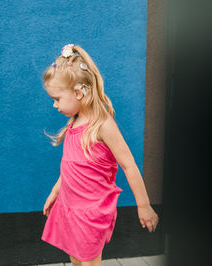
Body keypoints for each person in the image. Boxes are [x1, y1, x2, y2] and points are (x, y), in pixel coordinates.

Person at [40, 44, 159, 266]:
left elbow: (129, 165)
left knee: (89, 263)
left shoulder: (102, 125)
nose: (54, 105)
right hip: (70, 206)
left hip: (90, 212)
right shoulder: (73, 123)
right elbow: (70, 165)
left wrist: (143, 205)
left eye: (57, 98)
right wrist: (55, 191)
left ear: (78, 93)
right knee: (75, 259)